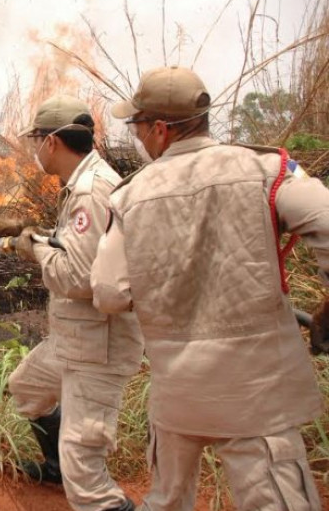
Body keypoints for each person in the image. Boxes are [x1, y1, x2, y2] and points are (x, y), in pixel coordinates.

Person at [91, 65, 329, 511]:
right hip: (257, 397)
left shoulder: (129, 197)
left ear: (161, 129)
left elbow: (109, 294)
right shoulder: (267, 169)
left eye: (139, 126)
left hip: (177, 398)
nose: (139, 137)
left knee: (166, 499)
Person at [0, 95, 143, 511]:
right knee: (27, 387)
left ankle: (87, 485)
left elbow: (77, 277)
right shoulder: (80, 184)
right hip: (74, 337)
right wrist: (32, 236)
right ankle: (56, 466)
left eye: (35, 140)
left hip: (97, 347)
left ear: (52, 141)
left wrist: (33, 247)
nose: (33, 149)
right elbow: (78, 249)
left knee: (85, 466)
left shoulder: (91, 191)